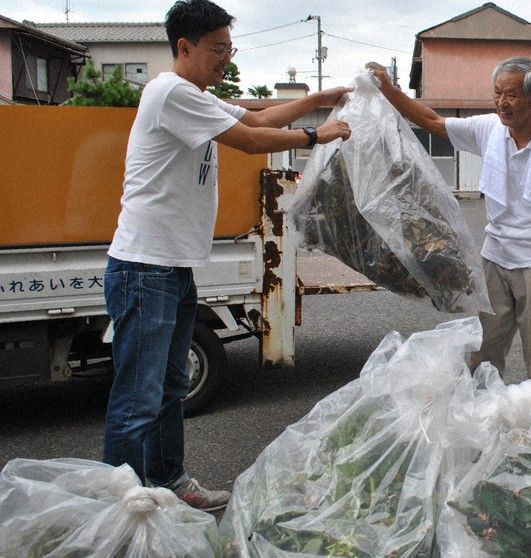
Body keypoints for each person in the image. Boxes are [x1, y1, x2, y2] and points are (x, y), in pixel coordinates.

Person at [103, 0, 351, 512]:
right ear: (184, 47)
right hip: (145, 267)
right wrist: (317, 134)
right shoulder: (171, 92)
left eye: (229, 49)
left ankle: (169, 482)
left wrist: (319, 99)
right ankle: (114, 511)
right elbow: (250, 140)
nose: (225, 59)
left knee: (170, 387)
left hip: (171, 268)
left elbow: (259, 116)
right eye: (217, 49)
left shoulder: (195, 96)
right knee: (138, 399)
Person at [366, 57, 531, 379]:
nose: (502, 102)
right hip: (495, 258)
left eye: (511, 94)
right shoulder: (489, 129)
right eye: (497, 93)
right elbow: (432, 122)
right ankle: (484, 405)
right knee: (484, 352)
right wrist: (389, 90)